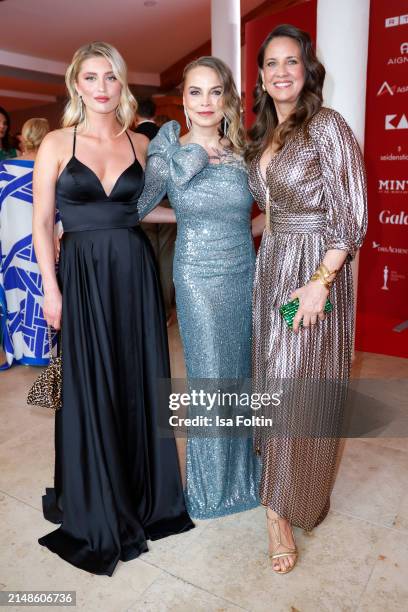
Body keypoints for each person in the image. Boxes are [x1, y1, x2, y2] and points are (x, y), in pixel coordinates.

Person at [32, 41, 193, 577]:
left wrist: (214, 211)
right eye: (92, 78)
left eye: (112, 78)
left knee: (136, 380)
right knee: (88, 382)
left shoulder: (141, 143)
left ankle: (143, 492)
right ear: (77, 84)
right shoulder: (56, 142)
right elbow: (41, 225)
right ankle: (96, 499)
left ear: (122, 85)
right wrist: (50, 291)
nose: (102, 88)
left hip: (133, 272)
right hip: (78, 276)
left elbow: (151, 208)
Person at [246, 24, 367, 573]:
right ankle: (280, 493)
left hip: (310, 276)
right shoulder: (265, 135)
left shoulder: (327, 126)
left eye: (290, 61)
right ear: (262, 75)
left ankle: (282, 510)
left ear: (307, 68)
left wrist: (321, 281)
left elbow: (352, 213)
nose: (280, 72)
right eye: (271, 63)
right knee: (272, 383)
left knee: (298, 388)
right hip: (271, 268)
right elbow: (265, 207)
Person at [138, 56, 260, 519]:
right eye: (195, 92)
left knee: (240, 376)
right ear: (183, 100)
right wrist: (185, 215)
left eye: (215, 91)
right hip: (196, 276)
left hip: (243, 272)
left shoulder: (245, 151)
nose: (206, 102)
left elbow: (262, 214)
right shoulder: (169, 149)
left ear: (228, 97)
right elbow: (137, 208)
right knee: (210, 377)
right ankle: (212, 492)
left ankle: (244, 477)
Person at [0, 118, 51, 369]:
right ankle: (43, 349)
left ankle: (20, 349)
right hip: (42, 240)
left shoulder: (4, 169)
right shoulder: (52, 167)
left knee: (17, 293)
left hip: (11, 242)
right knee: (44, 291)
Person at [135, 98, 176, 323]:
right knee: (167, 256)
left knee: (149, 254)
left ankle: (151, 309)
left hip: (144, 204)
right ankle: (167, 309)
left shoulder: (132, 138)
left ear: (135, 113)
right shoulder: (167, 137)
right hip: (169, 201)